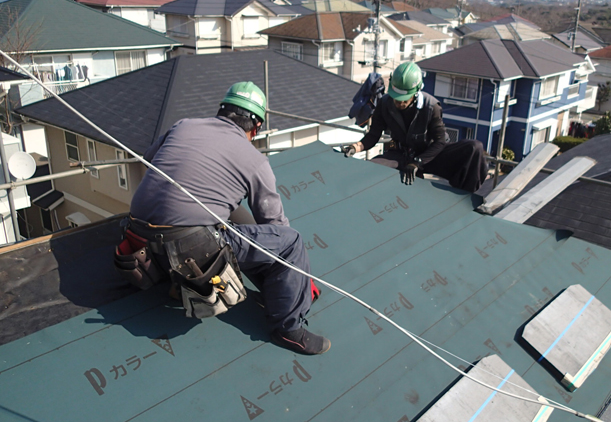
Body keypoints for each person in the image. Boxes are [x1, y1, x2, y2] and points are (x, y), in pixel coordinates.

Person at [125, 82, 330, 355]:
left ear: (221, 111)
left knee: (228, 218)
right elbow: (274, 225)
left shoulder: (183, 125)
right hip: (189, 246)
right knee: (291, 243)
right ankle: (288, 328)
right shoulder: (254, 159)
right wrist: (300, 277)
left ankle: (171, 277)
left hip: (137, 235)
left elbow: (150, 159)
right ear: (255, 128)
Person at [342, 62, 488, 193]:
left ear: (416, 91)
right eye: (396, 98)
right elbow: (373, 135)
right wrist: (355, 147)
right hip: (403, 154)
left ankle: (464, 200)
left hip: (430, 156)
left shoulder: (431, 106)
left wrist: (417, 162)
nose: (399, 103)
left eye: (403, 100)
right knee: (373, 166)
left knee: (474, 148)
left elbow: (440, 142)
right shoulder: (384, 103)